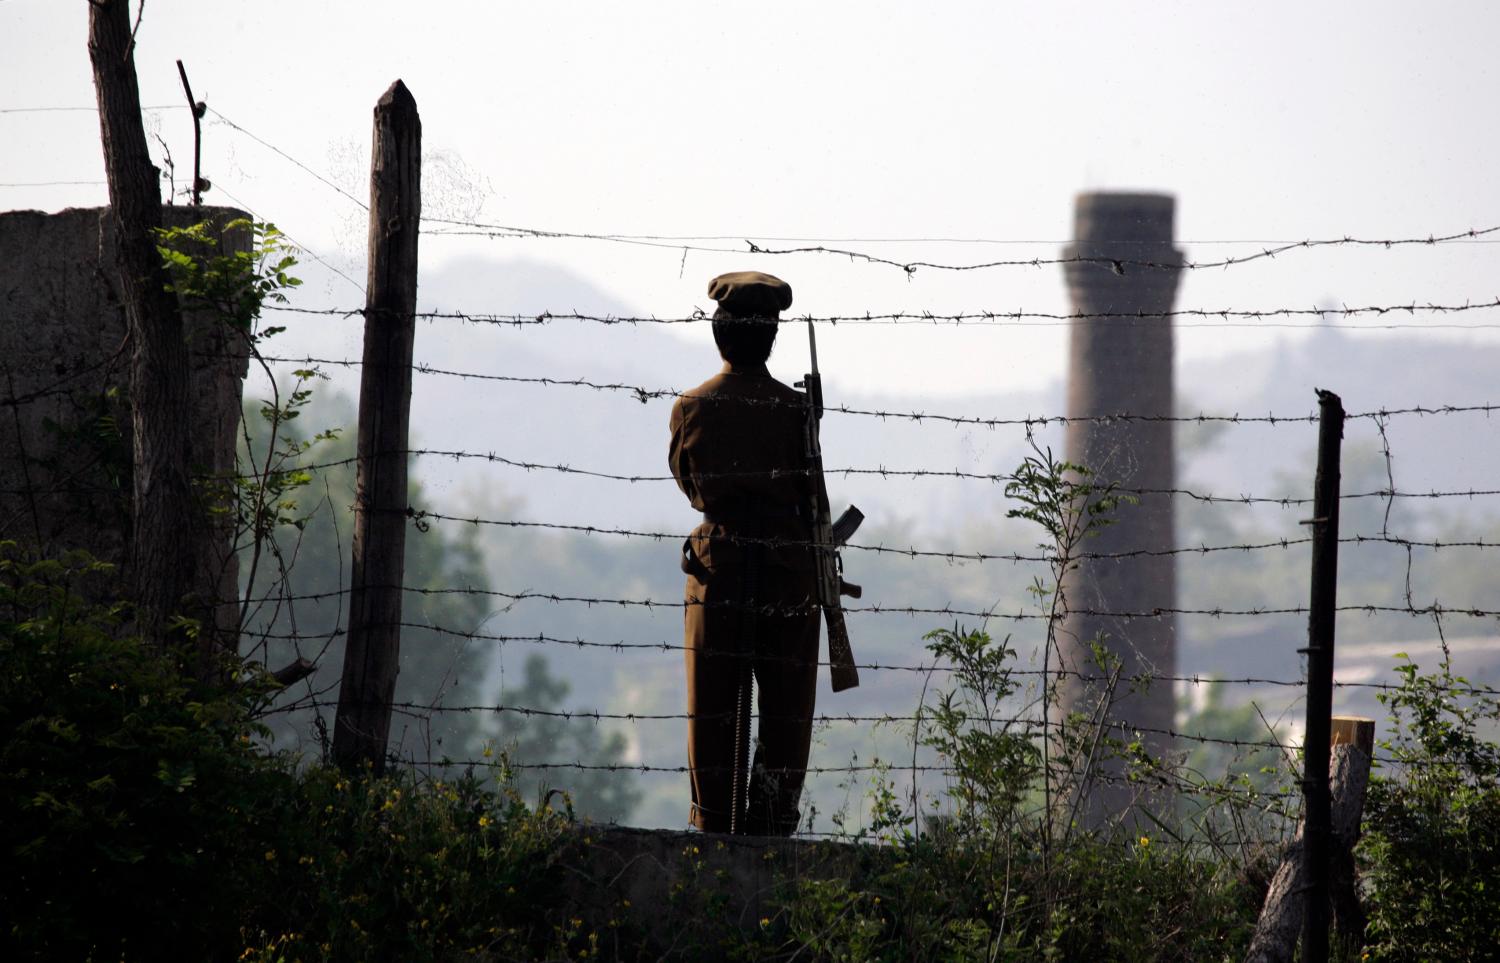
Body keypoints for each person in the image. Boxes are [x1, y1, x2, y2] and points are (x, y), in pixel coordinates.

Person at [668, 270, 820, 836]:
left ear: (718, 333)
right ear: (772, 337)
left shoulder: (692, 407)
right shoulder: (795, 411)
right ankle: (773, 825)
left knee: (712, 712)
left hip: (718, 568)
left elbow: (691, 484)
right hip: (788, 570)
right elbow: (810, 487)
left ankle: (712, 829)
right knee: (785, 714)